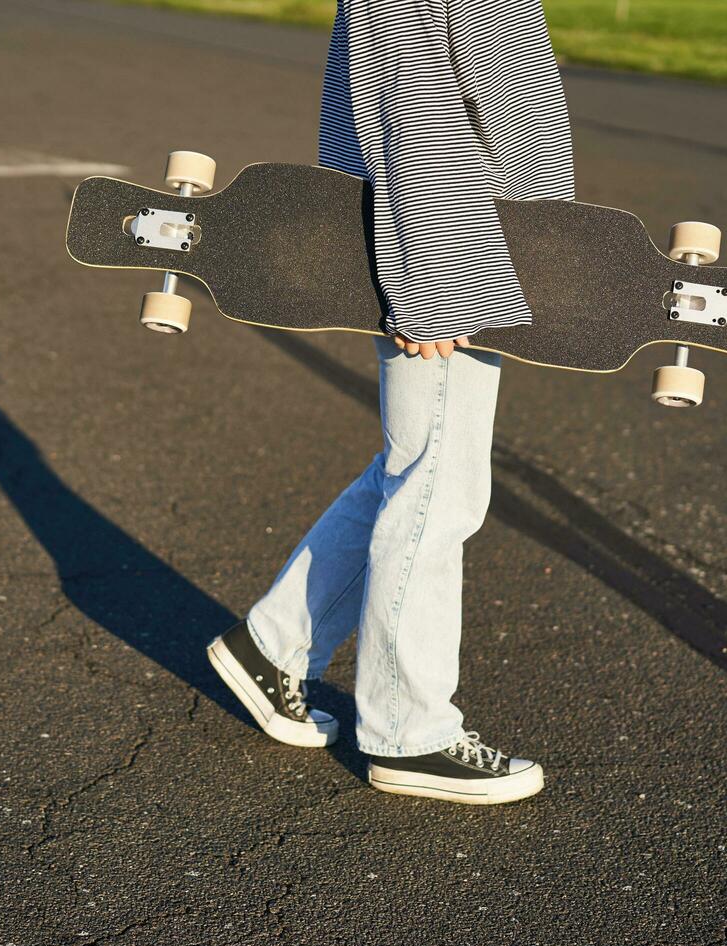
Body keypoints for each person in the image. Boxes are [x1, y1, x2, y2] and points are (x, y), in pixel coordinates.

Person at [207, 0, 575, 804]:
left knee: (422, 465)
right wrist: (436, 277)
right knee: (439, 484)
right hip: (451, 245)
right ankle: (409, 734)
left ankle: (275, 645)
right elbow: (406, 96)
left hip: (478, 236)